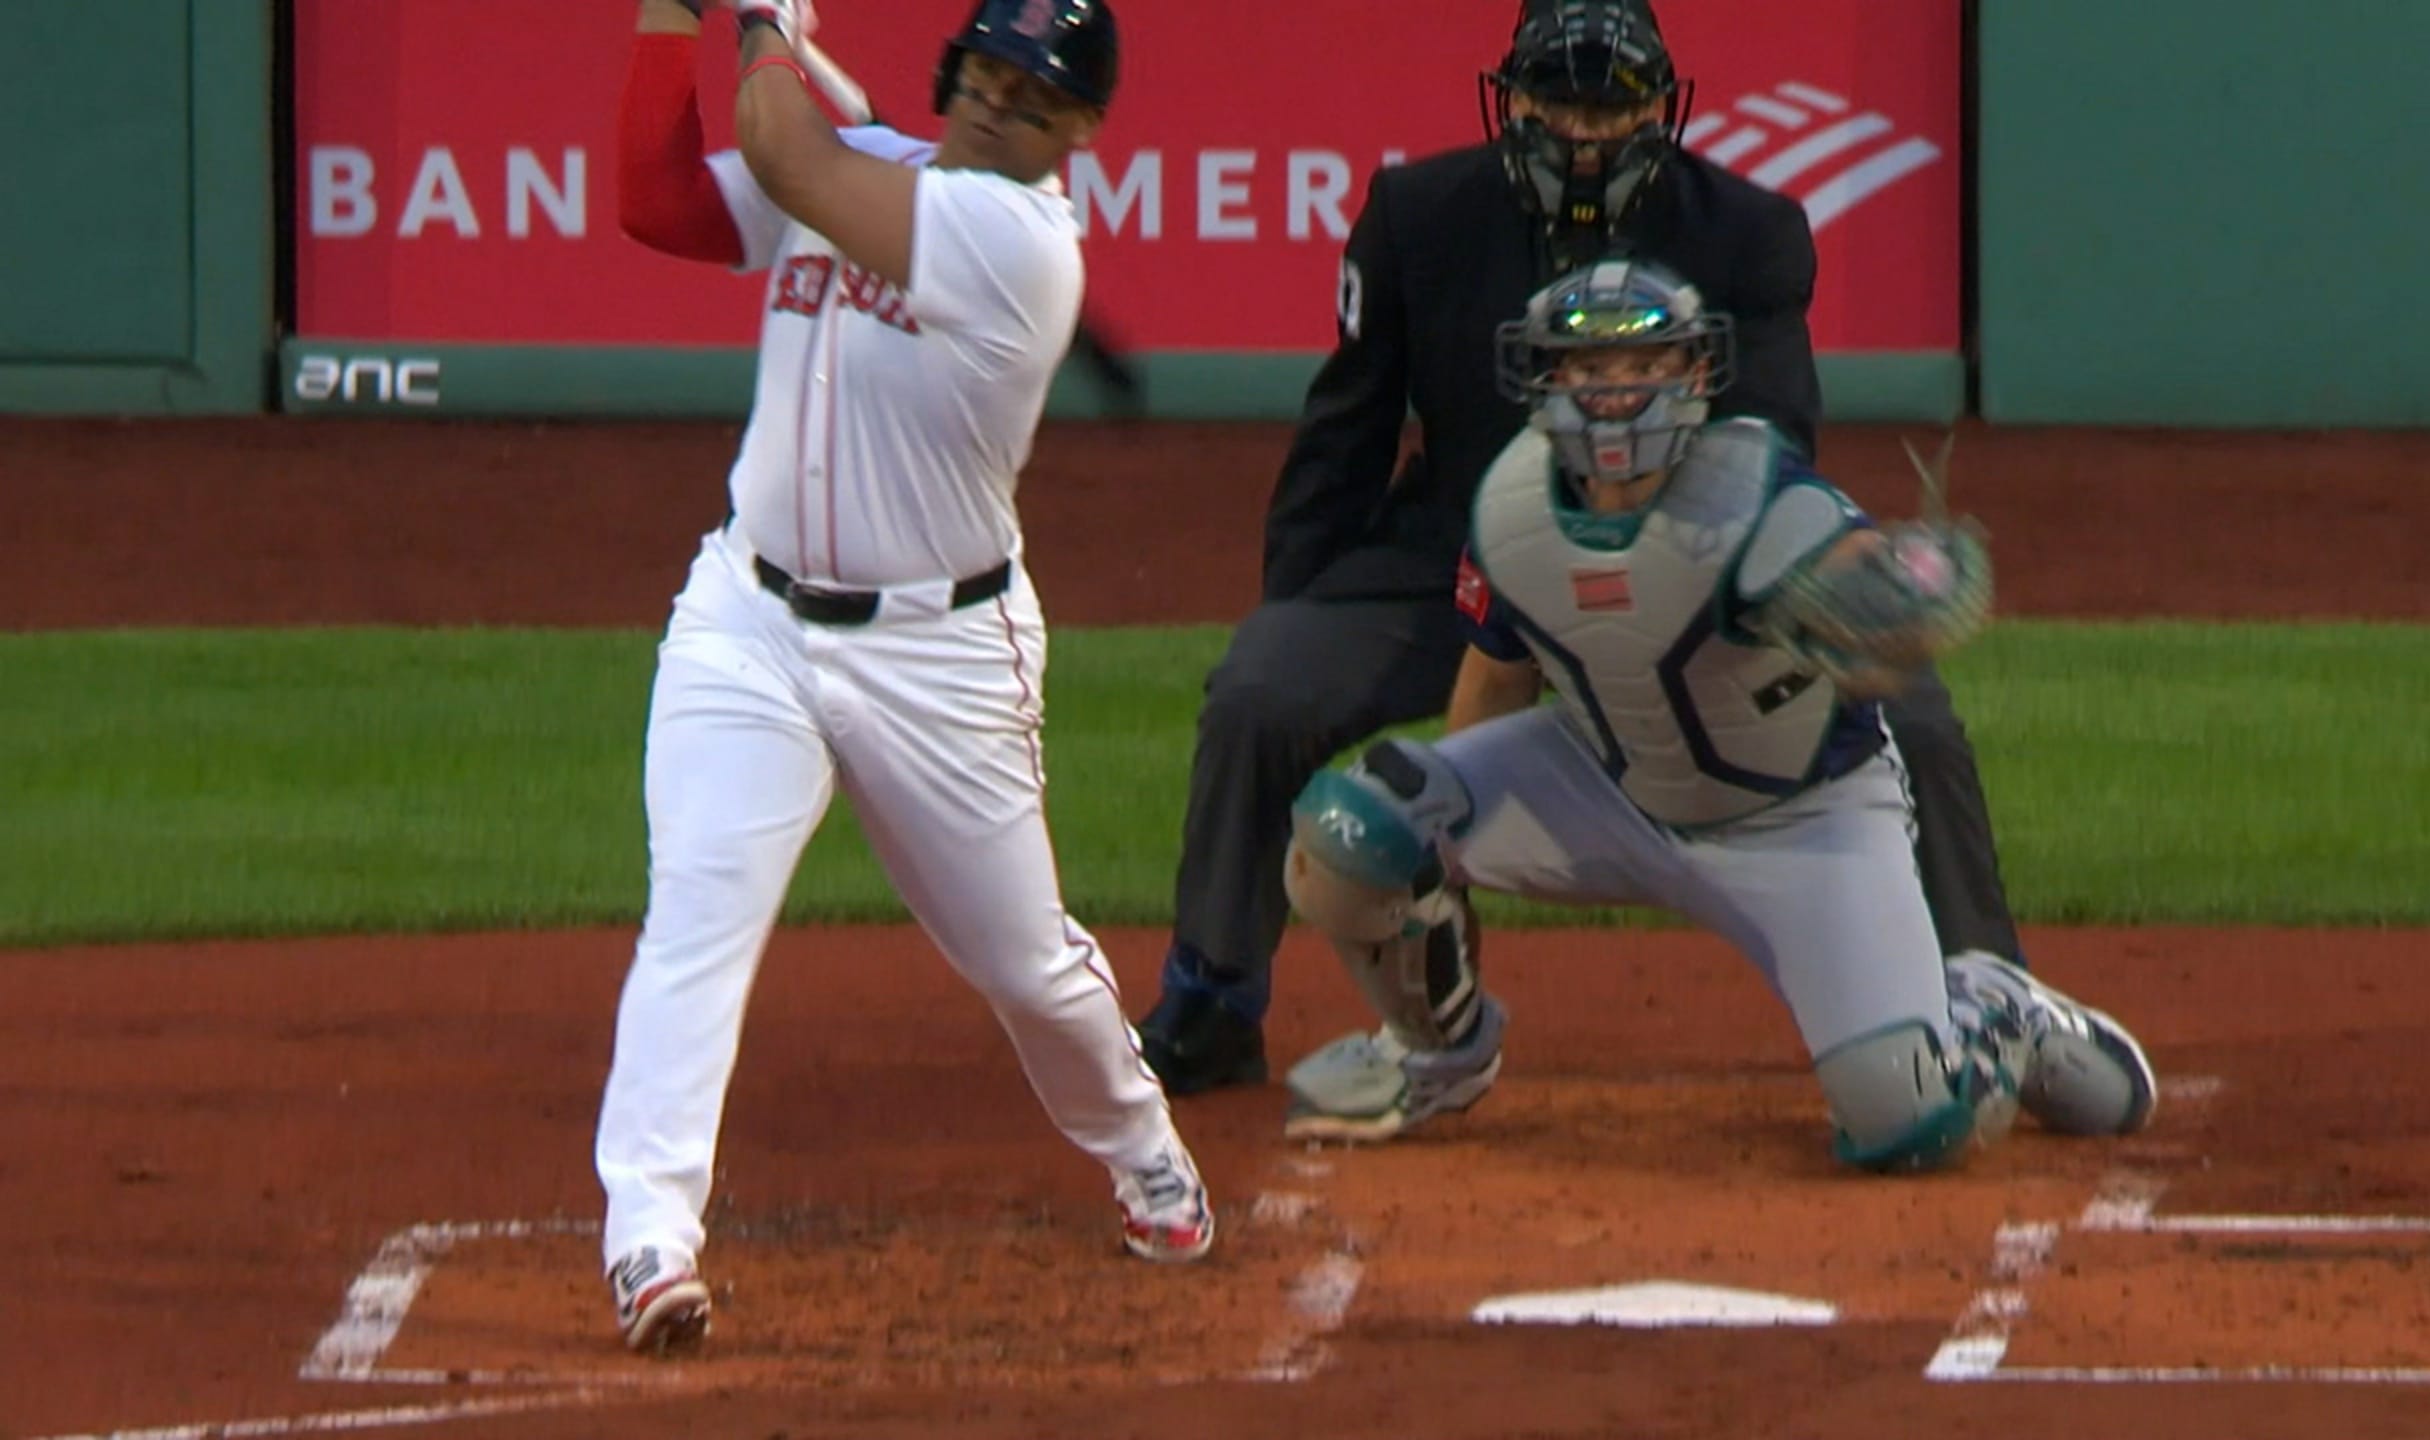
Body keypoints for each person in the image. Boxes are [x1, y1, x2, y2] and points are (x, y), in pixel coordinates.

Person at [1136, 0, 2023, 1095]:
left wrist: (1766, 593)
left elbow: (1772, 447)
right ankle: (1213, 995)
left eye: (1611, 105)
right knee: (1264, 689)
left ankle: (1992, 985)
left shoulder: (1748, 231)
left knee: (1911, 718)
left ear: (1660, 108)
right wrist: (1296, 610)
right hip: (1468, 556)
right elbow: (1344, 432)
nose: (1583, 130)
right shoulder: (1419, 216)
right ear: (1510, 100)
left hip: (1691, 572)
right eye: (1558, 100)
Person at [594, 0, 1211, 1358]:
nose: (996, 103)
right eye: (985, 74)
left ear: (1078, 130)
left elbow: (789, 154)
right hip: (748, 623)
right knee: (697, 914)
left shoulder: (1018, 245)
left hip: (940, 655)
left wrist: (763, 22)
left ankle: (1141, 1144)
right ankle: (649, 1235)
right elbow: (654, 203)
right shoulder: (872, 167)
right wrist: (668, 22)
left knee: (1025, 965)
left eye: (1031, 94)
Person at [1274, 259, 2158, 1165]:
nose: (1616, 394)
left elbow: (1846, 558)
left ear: (1694, 375)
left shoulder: (1756, 494)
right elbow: (1498, 678)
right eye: (1590, 370)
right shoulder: (1510, 510)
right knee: (1358, 825)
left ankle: (1993, 1007)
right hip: (1607, 786)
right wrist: (1437, 863)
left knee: (1904, 1117)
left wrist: (1890, 592)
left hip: (1804, 822)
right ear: (1545, 379)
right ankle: (1435, 1053)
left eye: (1643, 366)